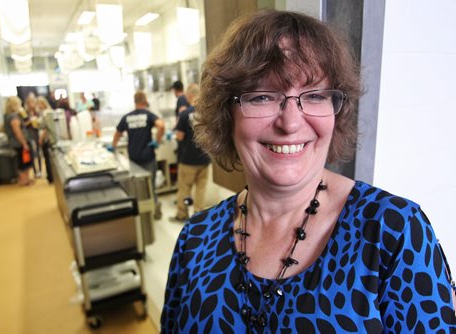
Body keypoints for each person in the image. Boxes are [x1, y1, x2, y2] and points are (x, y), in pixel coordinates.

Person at [161, 10, 456, 333]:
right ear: (226, 114)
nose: (290, 123)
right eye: (262, 96)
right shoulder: (195, 239)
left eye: (314, 95)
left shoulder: (394, 231)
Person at [112, 90, 165, 220]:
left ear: (135, 102)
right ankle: (155, 209)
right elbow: (161, 126)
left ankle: (141, 213)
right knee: (150, 185)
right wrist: (157, 141)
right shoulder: (148, 115)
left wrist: (113, 147)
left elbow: (117, 133)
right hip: (148, 156)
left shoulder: (127, 117)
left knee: (136, 186)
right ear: (144, 101)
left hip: (133, 158)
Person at [171, 83, 211, 222]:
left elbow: (180, 136)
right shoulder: (208, 113)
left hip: (188, 159)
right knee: (201, 189)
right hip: (205, 158)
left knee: (184, 188)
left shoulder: (185, 114)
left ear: (189, 96)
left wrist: (176, 136)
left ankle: (182, 214)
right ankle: (199, 216)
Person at [3, 96, 34, 186]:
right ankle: (24, 180)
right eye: (19, 104)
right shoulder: (14, 116)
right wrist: (24, 143)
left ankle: (26, 179)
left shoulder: (7, 116)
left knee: (23, 160)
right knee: (24, 161)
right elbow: (17, 131)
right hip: (19, 143)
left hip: (16, 142)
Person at [37, 96, 54, 183]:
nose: (38, 105)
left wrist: (41, 138)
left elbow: (46, 128)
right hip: (45, 138)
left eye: (39, 103)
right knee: (47, 158)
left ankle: (51, 177)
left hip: (46, 138)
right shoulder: (42, 113)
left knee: (48, 158)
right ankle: (50, 176)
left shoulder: (46, 113)